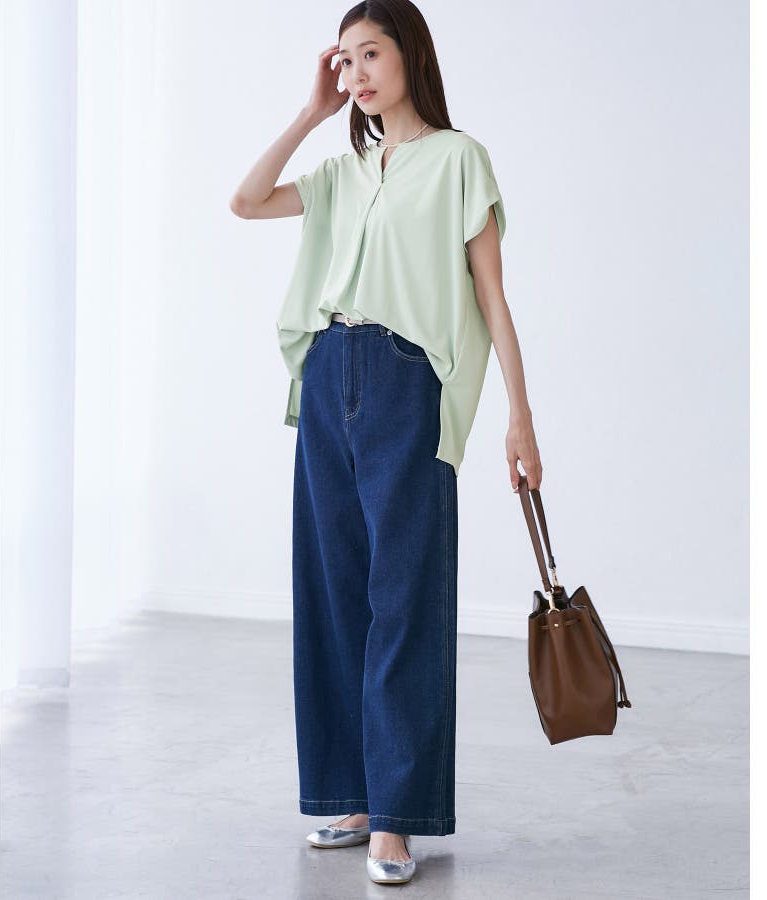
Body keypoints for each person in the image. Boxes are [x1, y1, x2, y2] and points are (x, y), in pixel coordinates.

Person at [230, 0, 542, 885]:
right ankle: (354, 796)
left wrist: (519, 416)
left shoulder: (458, 160)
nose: (357, 73)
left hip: (407, 382)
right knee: (334, 595)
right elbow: (245, 201)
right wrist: (311, 113)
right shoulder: (341, 171)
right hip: (328, 374)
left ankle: (397, 819)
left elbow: (492, 297)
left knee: (404, 597)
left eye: (371, 54)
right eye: (346, 59)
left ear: (412, 56)